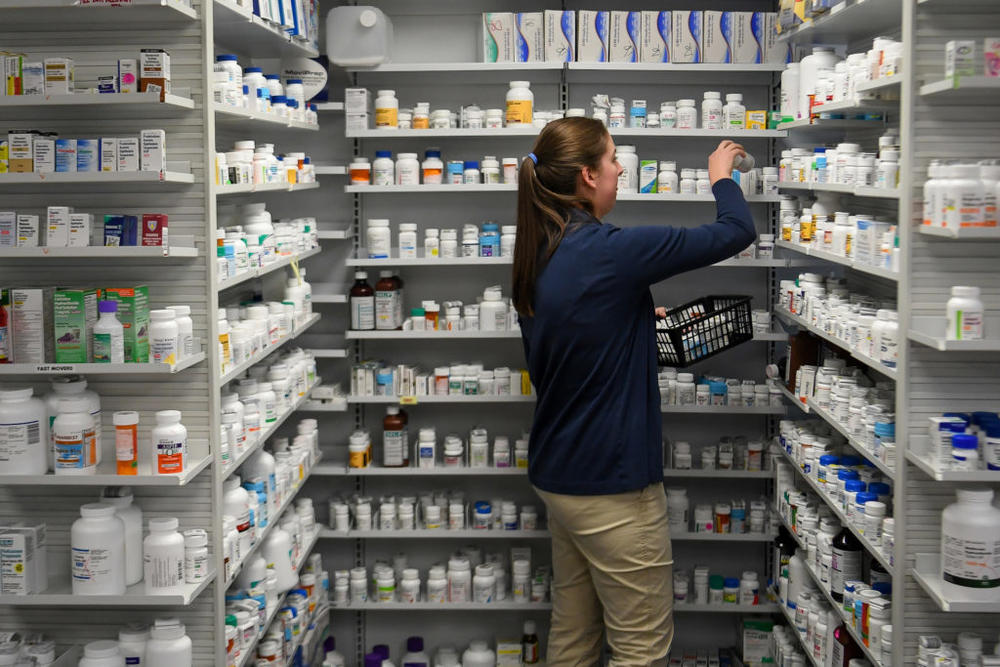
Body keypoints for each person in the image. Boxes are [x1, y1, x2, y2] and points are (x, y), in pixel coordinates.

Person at [512, 117, 756, 666]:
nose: (621, 169)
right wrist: (721, 177)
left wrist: (634, 317)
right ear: (587, 176)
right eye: (614, 160)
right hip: (612, 488)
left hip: (560, 476)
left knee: (573, 636)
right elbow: (736, 231)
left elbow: (561, 348)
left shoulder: (538, 251)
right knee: (640, 649)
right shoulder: (612, 251)